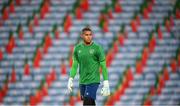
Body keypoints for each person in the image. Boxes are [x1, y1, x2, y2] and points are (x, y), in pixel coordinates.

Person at [67, 26, 110, 105]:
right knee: (90, 102)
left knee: (87, 101)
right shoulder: (77, 48)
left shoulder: (97, 48)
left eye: (90, 34)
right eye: (86, 35)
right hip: (82, 81)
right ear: (82, 36)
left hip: (93, 80)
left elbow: (103, 66)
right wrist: (71, 78)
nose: (89, 36)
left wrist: (106, 81)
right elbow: (74, 65)